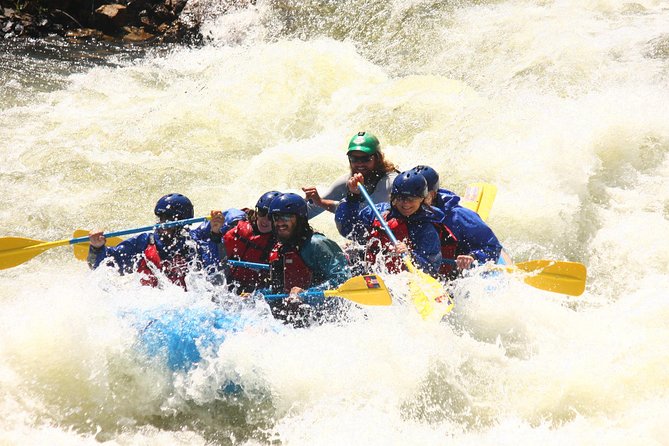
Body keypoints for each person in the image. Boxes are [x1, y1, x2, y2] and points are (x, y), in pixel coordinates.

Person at [88, 193, 225, 289]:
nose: (162, 224)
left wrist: (215, 235)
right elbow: (105, 266)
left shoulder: (192, 244)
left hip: (184, 306)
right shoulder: (143, 242)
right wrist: (97, 248)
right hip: (150, 305)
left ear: (181, 223)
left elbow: (213, 274)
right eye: (161, 218)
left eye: (168, 220)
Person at [263, 192, 351, 327]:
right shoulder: (282, 248)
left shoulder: (317, 244)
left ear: (300, 219)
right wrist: (258, 297)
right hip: (292, 321)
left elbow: (343, 280)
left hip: (324, 322)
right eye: (276, 217)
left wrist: (307, 295)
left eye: (286, 216)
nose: (280, 222)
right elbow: (278, 289)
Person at [335, 170, 443, 276]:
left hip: (401, 283)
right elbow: (347, 229)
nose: (406, 203)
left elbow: (432, 268)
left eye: (411, 199)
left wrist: (411, 256)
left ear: (422, 199)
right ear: (393, 197)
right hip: (368, 273)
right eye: (401, 198)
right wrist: (353, 197)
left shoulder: (425, 230)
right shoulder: (376, 213)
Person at [412, 165, 503, 277]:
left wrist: (473, 256)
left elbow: (493, 247)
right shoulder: (406, 209)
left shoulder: (459, 216)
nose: (414, 200)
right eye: (412, 195)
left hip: (456, 269)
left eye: (421, 195)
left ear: (433, 194)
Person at [192, 191, 281, 293]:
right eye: (262, 212)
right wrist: (215, 233)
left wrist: (255, 295)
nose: (265, 220)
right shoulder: (232, 220)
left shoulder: (278, 244)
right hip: (218, 280)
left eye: (270, 216)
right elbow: (194, 237)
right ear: (256, 212)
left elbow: (275, 283)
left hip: (247, 290)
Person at [302, 131, 400, 219]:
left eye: (366, 158)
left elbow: (366, 212)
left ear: (378, 158)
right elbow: (309, 211)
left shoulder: (392, 182)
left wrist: (322, 202)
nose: (360, 163)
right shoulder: (345, 183)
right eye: (354, 159)